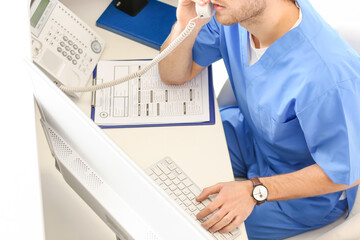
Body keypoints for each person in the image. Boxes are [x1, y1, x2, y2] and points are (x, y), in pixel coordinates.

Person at [158, 0, 360, 239]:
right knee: (164, 155)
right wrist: (185, 24)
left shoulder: (329, 76)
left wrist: (255, 190)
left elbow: (346, 172)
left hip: (303, 194)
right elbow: (173, 74)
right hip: (252, 136)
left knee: (191, 224)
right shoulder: (232, 15)